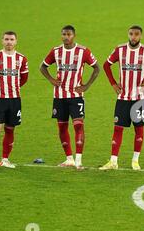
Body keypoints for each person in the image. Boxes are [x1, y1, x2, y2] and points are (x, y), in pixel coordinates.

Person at [100, 25, 144, 170]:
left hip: (139, 97)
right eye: (131, 34)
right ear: (128, 34)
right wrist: (113, 84)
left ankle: (135, 160)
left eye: (137, 34)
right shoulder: (120, 50)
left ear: (141, 36)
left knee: (138, 128)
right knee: (118, 127)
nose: (133, 37)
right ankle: (113, 161)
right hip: (123, 97)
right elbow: (106, 65)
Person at [40, 25, 100, 170]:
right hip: (59, 96)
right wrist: (51, 80)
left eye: (69, 34)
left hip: (76, 96)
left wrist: (86, 85)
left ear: (74, 35)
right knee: (62, 128)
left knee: (78, 126)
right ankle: (69, 159)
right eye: (64, 34)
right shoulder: (56, 51)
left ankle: (78, 160)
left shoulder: (83, 51)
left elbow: (97, 68)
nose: (66, 37)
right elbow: (43, 67)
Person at [0, 31, 29, 170]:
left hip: (15, 99)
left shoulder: (22, 59)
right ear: (2, 41)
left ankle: (5, 159)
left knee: (10, 129)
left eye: (11, 39)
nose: (9, 42)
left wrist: (13, 88)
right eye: (6, 39)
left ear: (16, 41)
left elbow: (24, 78)